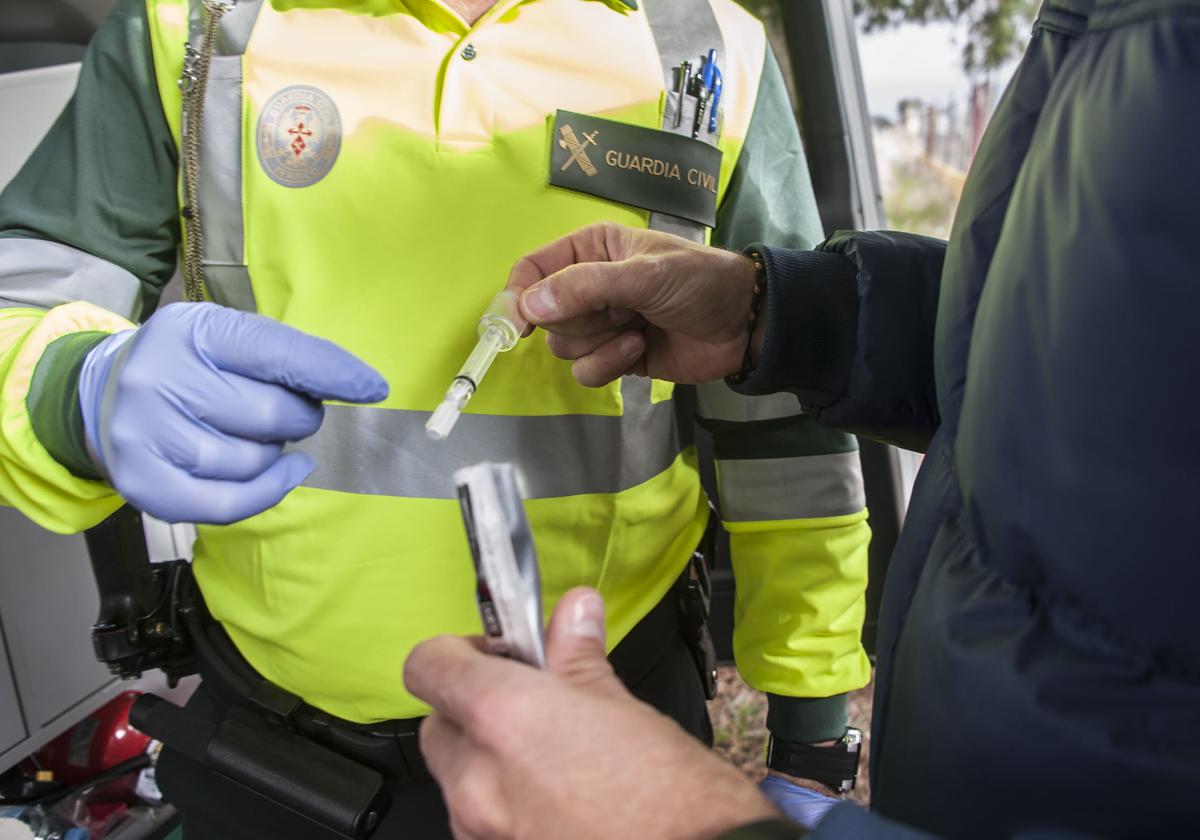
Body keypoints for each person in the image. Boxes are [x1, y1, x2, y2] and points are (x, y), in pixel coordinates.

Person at [0, 0, 874, 835]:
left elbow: (785, 418)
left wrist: (812, 726)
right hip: (273, 756)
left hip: (609, 731)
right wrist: (77, 387)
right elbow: (24, 300)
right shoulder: (191, 25)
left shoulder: (708, 40)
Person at [405, 0, 1200, 836]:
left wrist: (709, 811)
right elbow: (1084, 356)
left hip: (628, 698)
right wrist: (778, 313)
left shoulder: (713, 43)